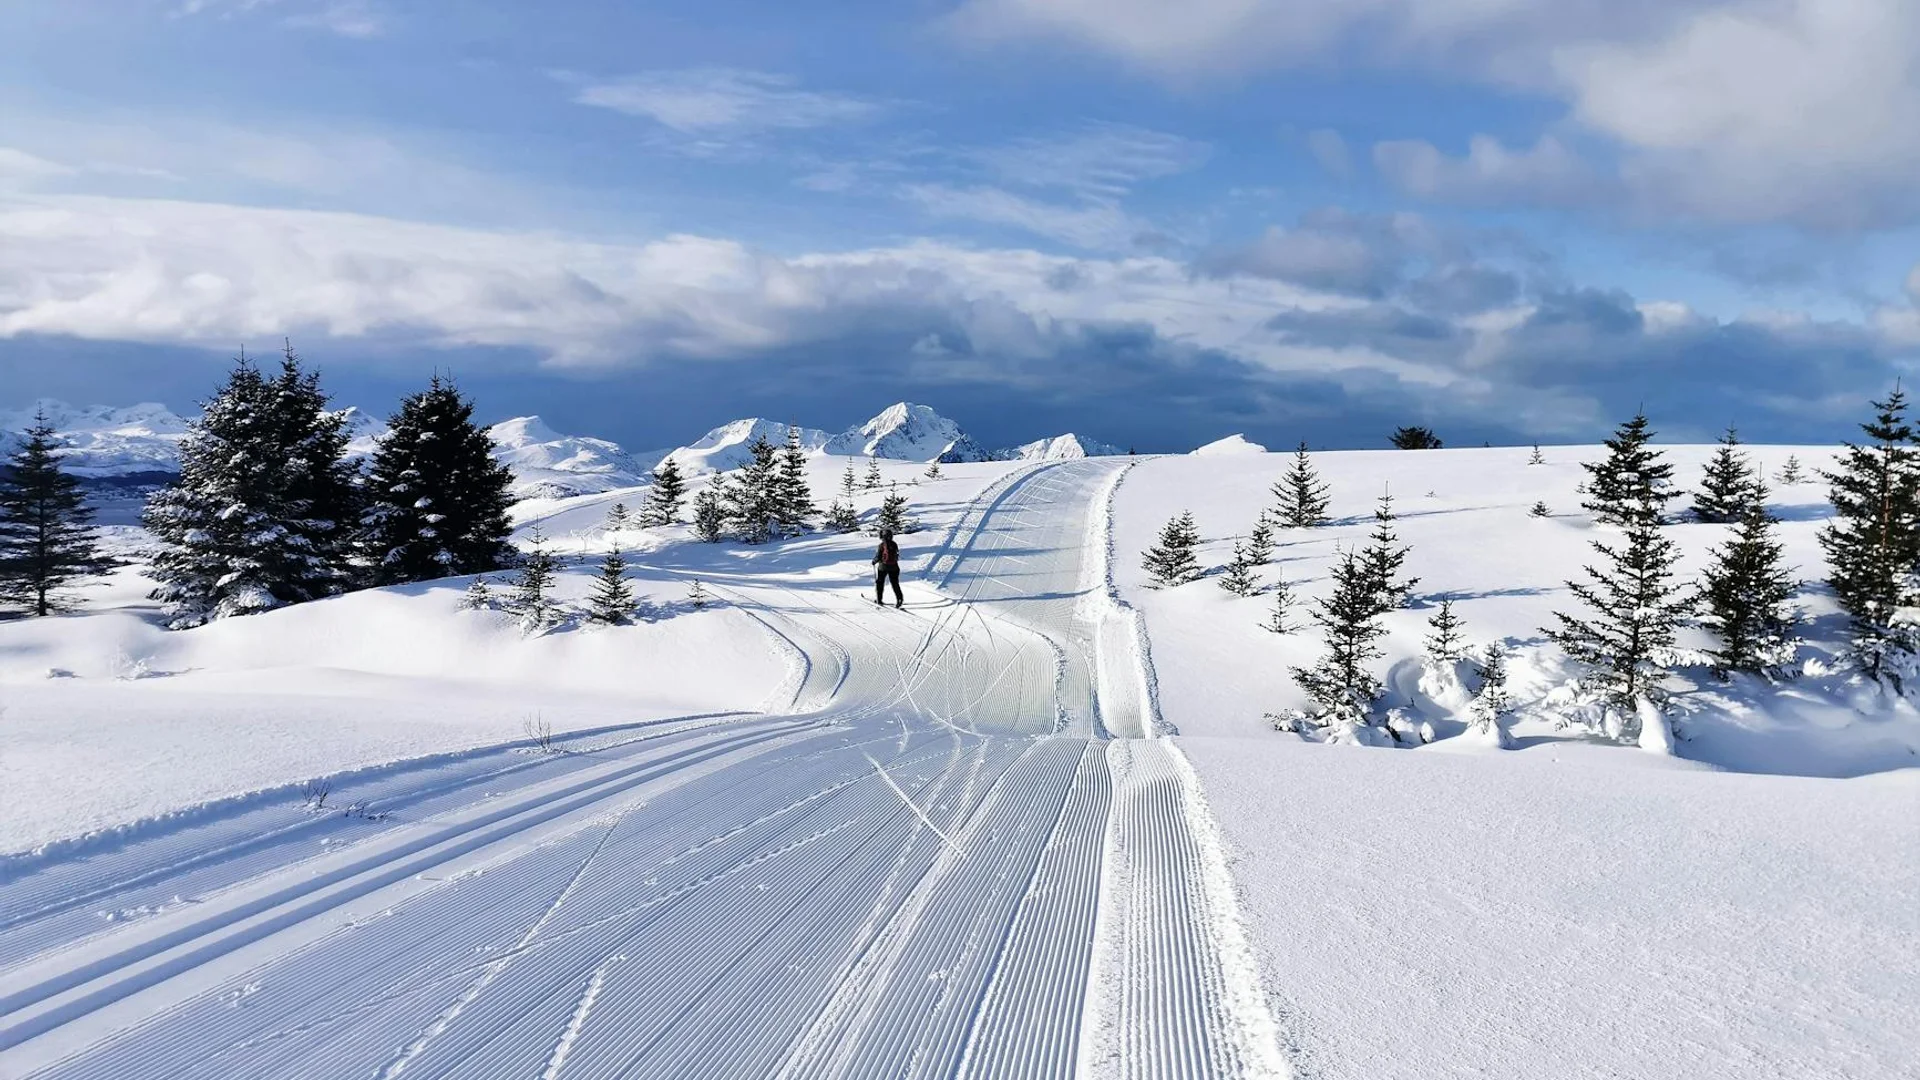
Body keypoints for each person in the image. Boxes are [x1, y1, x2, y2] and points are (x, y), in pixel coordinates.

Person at [872, 527, 903, 608]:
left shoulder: (881, 545)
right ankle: (899, 599)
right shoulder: (894, 544)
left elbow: (878, 557)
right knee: (895, 584)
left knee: (880, 583)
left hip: (883, 567)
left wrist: (874, 561)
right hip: (894, 567)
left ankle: (879, 599)